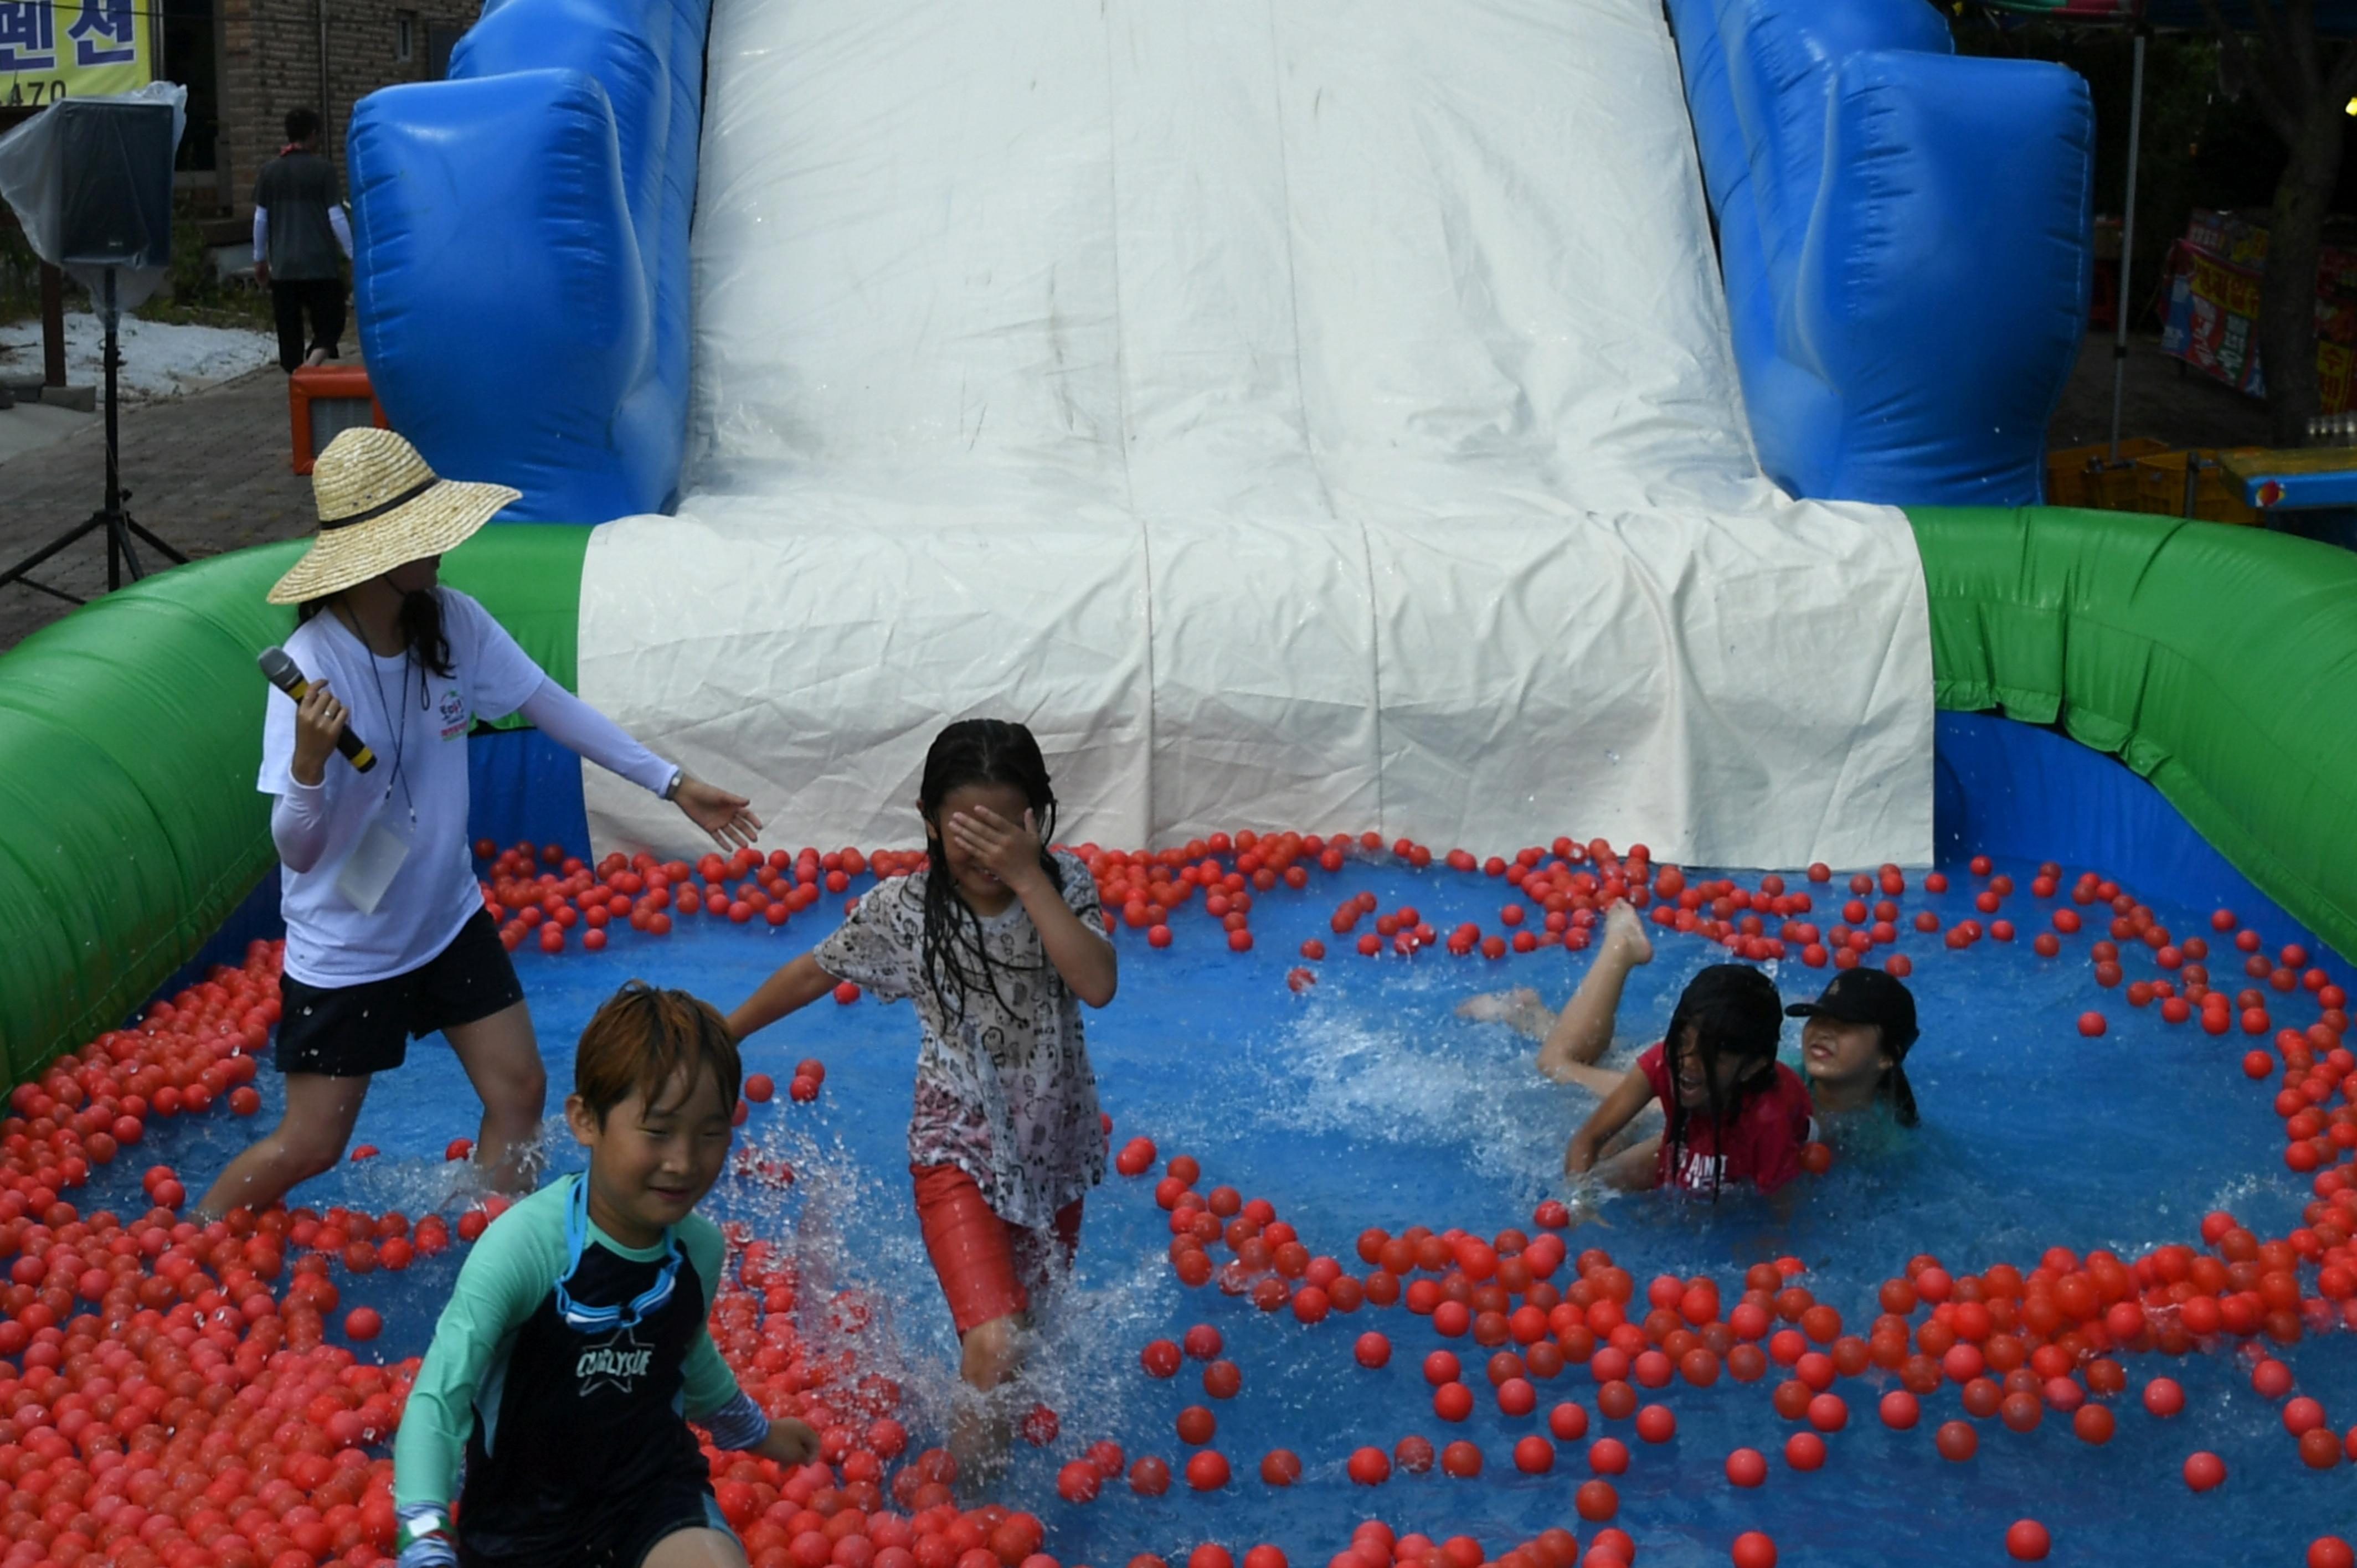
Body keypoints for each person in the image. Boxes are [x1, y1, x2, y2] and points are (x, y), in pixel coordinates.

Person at [195, 426, 761, 1222]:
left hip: (446, 916)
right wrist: (309, 766)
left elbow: (549, 706)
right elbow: (298, 848)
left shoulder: (451, 623)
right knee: (313, 1145)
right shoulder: (317, 663)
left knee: (522, 1092)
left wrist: (673, 783)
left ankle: (481, 1238)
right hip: (349, 946)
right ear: (375, 557)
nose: (447, 546)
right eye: (425, 535)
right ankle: (199, 1232)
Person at [726, 719, 1115, 1468]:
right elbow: (818, 968)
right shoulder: (907, 910)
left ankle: (986, 1478)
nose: (986, 852)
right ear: (930, 821)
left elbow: (1096, 983)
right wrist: (726, 1029)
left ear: (1037, 820)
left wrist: (1032, 878)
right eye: (967, 829)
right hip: (955, 1147)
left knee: (1023, 1347)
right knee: (996, 1344)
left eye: (1005, 829)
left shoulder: (1065, 887)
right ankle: (970, 1521)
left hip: (1052, 1153)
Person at [392, 982, 820, 1568]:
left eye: (711, 1133)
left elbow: (684, 1352)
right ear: (585, 1120)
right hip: (522, 1526)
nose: (684, 1162)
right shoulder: (525, 1248)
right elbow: (439, 1400)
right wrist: (424, 1534)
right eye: (658, 1131)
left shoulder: (698, 1249)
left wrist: (753, 1432)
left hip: (652, 1498)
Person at [1563, 960, 1812, 1195]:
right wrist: (1580, 1206)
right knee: (1597, 1183)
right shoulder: (1665, 1061)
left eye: (1711, 1055)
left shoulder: (1769, 1119)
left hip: (1746, 1128)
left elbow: (1778, 1220)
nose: (1688, 1063)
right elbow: (1587, 1139)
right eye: (1682, 1042)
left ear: (1750, 1068)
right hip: (1698, 1120)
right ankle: (1638, 1119)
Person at [253, 107, 354, 372]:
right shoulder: (323, 170)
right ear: (312, 135)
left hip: (284, 267)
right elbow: (336, 217)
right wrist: (354, 254)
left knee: (289, 331)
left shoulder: (269, 172)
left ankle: (297, 375)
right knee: (332, 322)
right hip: (320, 265)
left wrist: (260, 259)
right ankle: (312, 365)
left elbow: (260, 219)